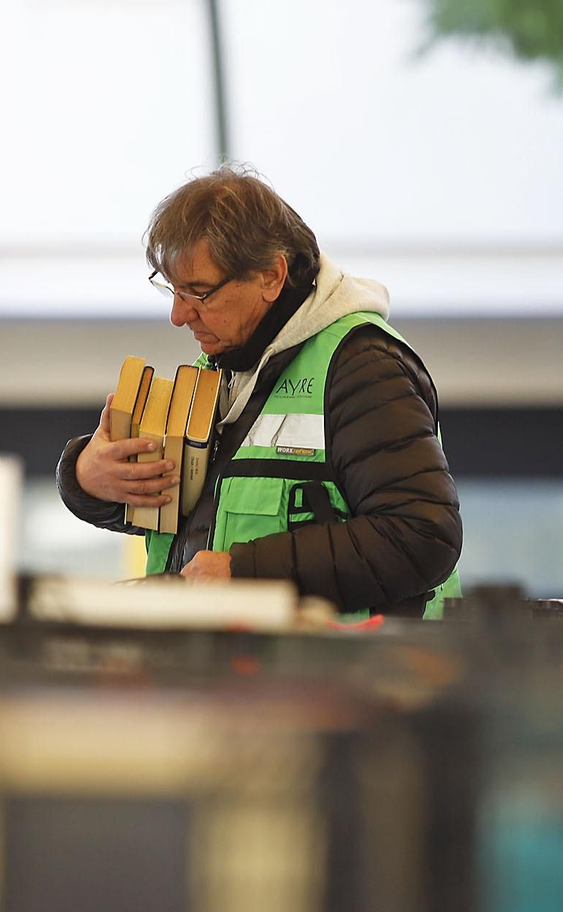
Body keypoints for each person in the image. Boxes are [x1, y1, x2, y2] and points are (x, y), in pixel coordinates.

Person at [57, 166, 462, 619]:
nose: (177, 315)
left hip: (357, 680)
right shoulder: (226, 365)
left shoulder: (362, 367)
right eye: (171, 289)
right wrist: (86, 480)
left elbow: (422, 536)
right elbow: (187, 518)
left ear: (271, 277)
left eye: (199, 292)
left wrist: (245, 574)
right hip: (238, 678)